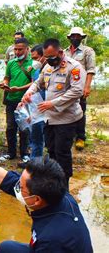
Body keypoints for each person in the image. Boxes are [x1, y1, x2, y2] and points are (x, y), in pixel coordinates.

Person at [0, 141, 93, 253]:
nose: (17, 187)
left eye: (21, 187)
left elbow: (50, 243)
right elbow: (7, 179)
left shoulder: (51, 240)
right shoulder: (59, 195)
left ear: (37, 199)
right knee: (6, 247)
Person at [22, 38, 86, 188]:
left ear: (60, 52)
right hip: (49, 119)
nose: (49, 60)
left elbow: (77, 91)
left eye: (52, 57)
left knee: (62, 153)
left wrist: (53, 103)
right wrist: (29, 93)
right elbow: (38, 83)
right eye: (46, 57)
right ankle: (54, 183)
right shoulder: (48, 67)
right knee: (51, 151)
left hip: (66, 118)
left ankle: (65, 186)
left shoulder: (74, 67)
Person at [0, 38, 33, 164]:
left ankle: (25, 153)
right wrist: (4, 84)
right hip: (11, 99)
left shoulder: (33, 64)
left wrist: (19, 88)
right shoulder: (11, 63)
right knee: (10, 127)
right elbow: (7, 78)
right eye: (16, 49)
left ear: (27, 49)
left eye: (20, 49)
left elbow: (35, 83)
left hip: (25, 100)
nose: (17, 52)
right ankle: (11, 153)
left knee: (24, 128)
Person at [64, 27, 96, 151]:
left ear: (82, 38)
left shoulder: (88, 51)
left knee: (80, 111)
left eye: (78, 36)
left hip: (80, 86)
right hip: (67, 87)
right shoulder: (65, 51)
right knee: (66, 110)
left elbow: (90, 70)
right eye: (73, 36)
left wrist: (87, 87)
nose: (75, 38)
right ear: (69, 37)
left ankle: (80, 137)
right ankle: (69, 135)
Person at [29, 44, 47, 159]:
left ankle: (38, 164)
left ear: (43, 56)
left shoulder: (50, 70)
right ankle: (33, 161)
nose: (34, 61)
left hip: (44, 108)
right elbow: (33, 86)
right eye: (33, 59)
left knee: (41, 138)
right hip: (34, 106)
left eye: (36, 58)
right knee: (34, 136)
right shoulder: (36, 71)